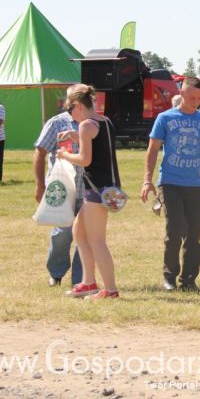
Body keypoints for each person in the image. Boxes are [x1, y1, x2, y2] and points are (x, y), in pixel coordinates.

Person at [141, 77, 200, 293]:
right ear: (182, 92)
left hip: (194, 185)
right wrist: (147, 179)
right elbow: (153, 149)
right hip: (170, 183)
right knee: (175, 229)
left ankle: (188, 280)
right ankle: (169, 276)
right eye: (192, 97)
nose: (195, 101)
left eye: (199, 98)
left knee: (193, 235)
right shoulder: (165, 118)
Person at [56, 85, 121, 299]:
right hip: (105, 188)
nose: (70, 115)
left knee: (96, 240)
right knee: (79, 232)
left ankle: (110, 290)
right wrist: (77, 136)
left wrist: (65, 155)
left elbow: (85, 159)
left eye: (69, 110)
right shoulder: (104, 121)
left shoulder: (85, 125)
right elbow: (97, 141)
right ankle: (88, 282)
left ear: (77, 106)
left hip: (96, 189)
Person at [33, 84, 84, 288]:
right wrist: (39, 185)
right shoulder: (57, 123)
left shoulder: (94, 123)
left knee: (86, 235)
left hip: (88, 188)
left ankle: (81, 279)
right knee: (63, 233)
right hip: (63, 188)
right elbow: (40, 152)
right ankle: (56, 271)